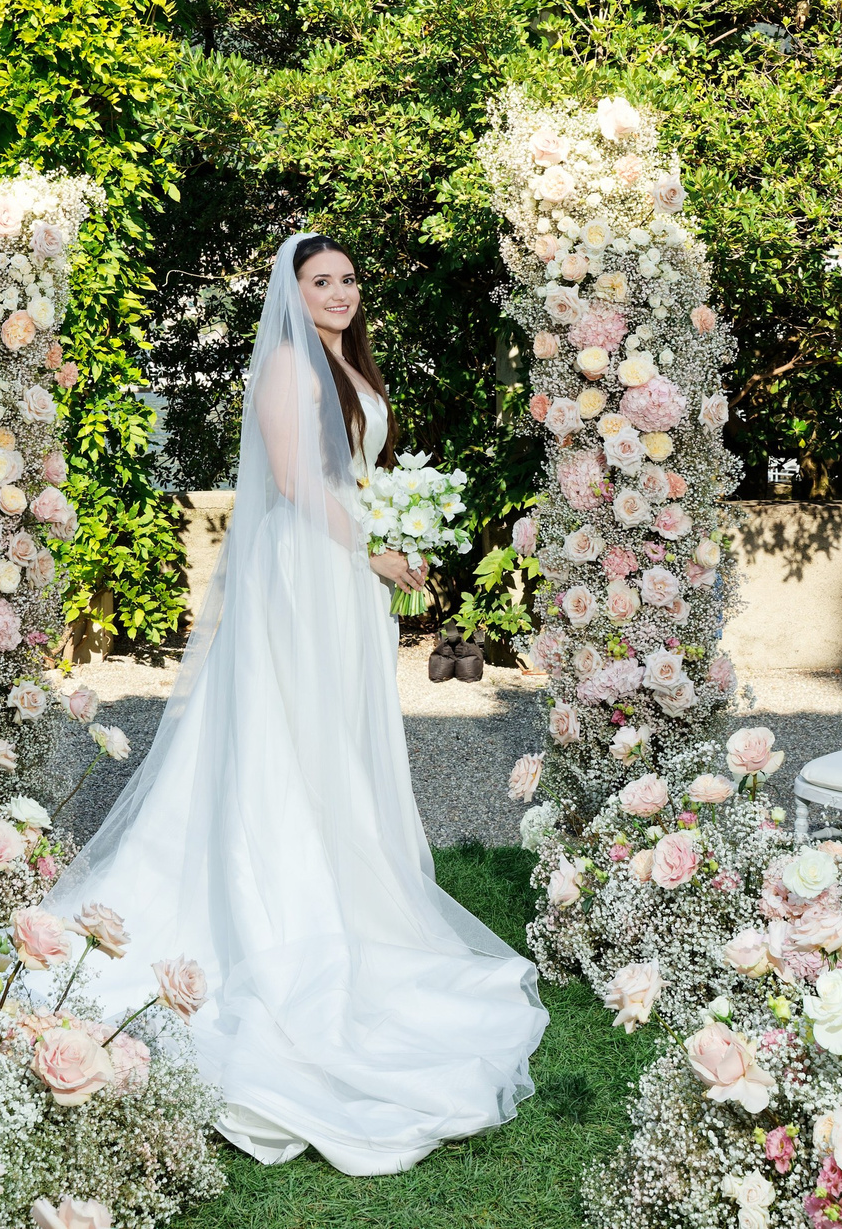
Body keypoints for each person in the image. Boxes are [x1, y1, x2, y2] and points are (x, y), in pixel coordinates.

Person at [45, 232, 547, 1175]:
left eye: (351, 279)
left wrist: (395, 530)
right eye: (324, 281)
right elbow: (289, 480)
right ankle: (284, 912)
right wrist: (378, 548)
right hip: (306, 572)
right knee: (286, 740)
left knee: (336, 746)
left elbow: (350, 475)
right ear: (293, 289)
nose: (342, 292)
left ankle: (351, 886)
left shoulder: (340, 361)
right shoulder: (286, 362)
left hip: (346, 573)